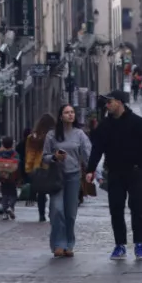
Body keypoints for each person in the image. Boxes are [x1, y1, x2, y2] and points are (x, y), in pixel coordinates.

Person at [86, 90, 142, 261]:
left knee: (137, 209)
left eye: (110, 102)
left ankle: (139, 244)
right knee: (116, 209)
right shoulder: (105, 125)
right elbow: (97, 149)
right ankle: (120, 245)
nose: (107, 105)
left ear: (120, 102)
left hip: (135, 172)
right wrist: (90, 169)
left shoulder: (137, 122)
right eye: (106, 103)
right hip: (114, 172)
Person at [44, 104, 93, 257]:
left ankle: (69, 244)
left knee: (70, 213)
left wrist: (91, 170)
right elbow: (44, 156)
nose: (70, 115)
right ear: (60, 116)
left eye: (72, 112)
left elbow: (87, 153)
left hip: (73, 176)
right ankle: (58, 243)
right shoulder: (52, 135)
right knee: (57, 210)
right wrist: (54, 157)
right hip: (57, 176)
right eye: (66, 112)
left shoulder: (79, 134)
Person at [25, 115, 56, 222]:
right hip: (52, 165)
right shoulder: (55, 135)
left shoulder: (34, 137)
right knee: (53, 192)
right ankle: (53, 213)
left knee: (41, 193)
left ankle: (41, 215)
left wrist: (29, 169)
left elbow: (31, 154)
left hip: (39, 167)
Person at [0, 136, 20, 220]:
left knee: (4, 195)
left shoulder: (0, 153)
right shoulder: (15, 154)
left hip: (2, 177)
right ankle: (11, 207)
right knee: (13, 194)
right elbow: (18, 165)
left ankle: (4, 213)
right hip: (12, 178)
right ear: (12, 144)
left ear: (3, 144)